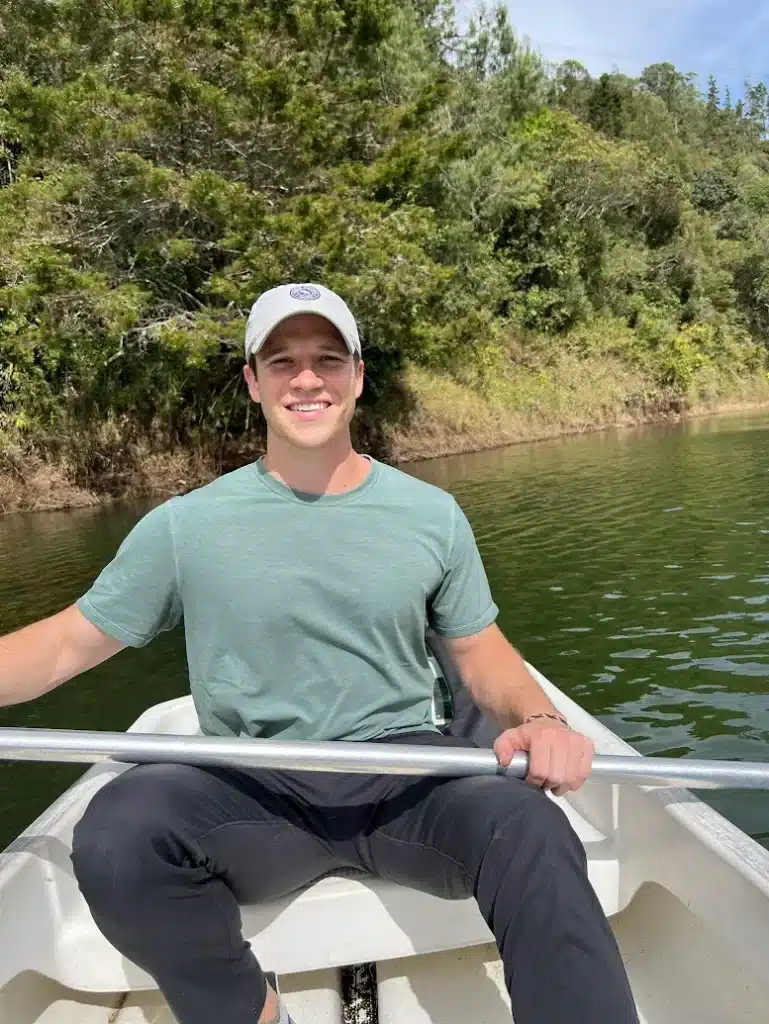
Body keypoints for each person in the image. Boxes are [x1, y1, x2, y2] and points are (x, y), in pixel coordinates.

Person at [0, 283, 639, 1024]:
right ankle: (252, 1010)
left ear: (357, 376)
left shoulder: (429, 515)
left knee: (527, 826)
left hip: (407, 775)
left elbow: (477, 647)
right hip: (256, 786)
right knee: (117, 833)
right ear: (253, 381)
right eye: (283, 361)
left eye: (327, 359)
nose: (307, 378)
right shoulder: (185, 526)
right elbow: (65, 644)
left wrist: (538, 717)